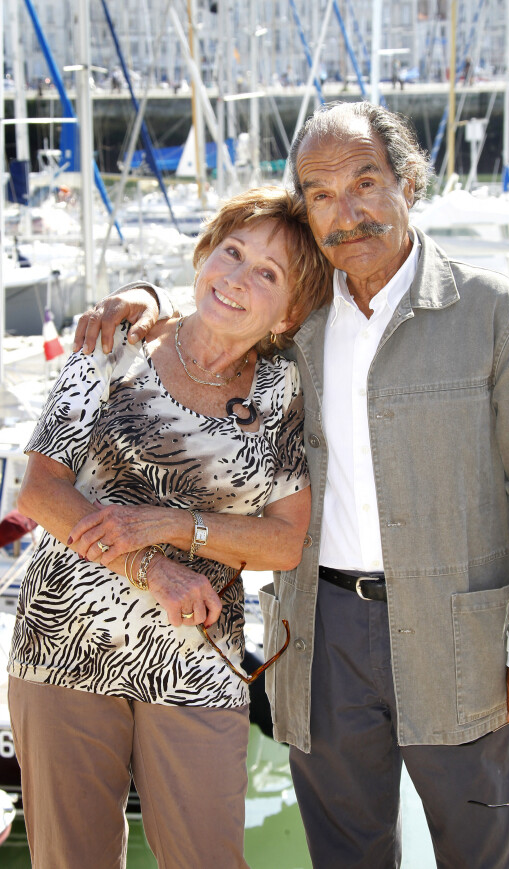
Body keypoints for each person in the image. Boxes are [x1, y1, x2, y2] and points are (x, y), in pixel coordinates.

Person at [74, 101, 509, 869]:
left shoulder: (492, 312)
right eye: (320, 193)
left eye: (366, 182)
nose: (347, 213)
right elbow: (225, 306)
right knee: (346, 854)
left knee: (484, 853)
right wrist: (150, 299)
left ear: (409, 180)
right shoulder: (296, 323)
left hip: (460, 635)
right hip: (321, 632)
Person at [8, 186, 332, 869]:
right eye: (232, 251)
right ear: (205, 253)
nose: (238, 278)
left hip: (196, 656)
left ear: (291, 310)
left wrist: (167, 525)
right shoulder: (115, 343)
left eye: (267, 274)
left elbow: (284, 538)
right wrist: (150, 566)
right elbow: (40, 487)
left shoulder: (282, 392)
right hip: (65, 637)